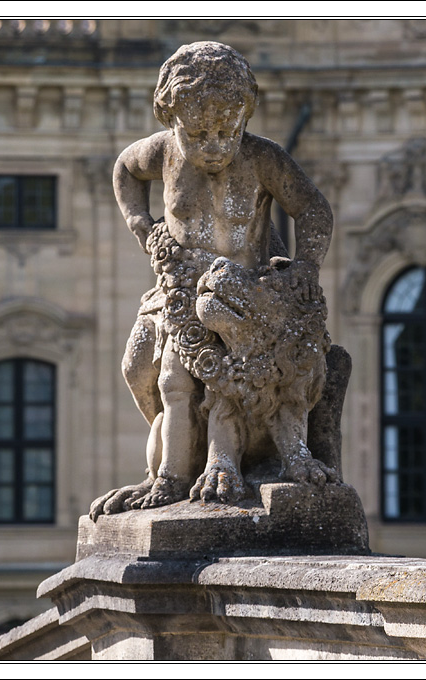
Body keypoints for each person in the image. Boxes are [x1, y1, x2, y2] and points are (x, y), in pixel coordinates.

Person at [95, 41, 334, 515]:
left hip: (238, 296)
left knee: (176, 380)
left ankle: (173, 476)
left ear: (244, 116)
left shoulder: (262, 158)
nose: (213, 146)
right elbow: (124, 169)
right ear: (171, 119)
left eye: (227, 131)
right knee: (135, 367)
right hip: (178, 287)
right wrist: (144, 228)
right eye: (198, 133)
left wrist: (306, 265)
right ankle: (171, 451)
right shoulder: (162, 153)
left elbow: (313, 209)